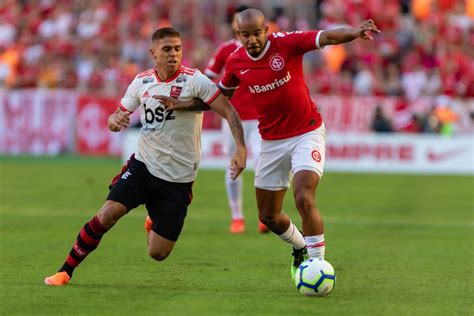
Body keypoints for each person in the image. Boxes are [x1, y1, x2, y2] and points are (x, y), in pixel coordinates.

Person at [161, 9, 380, 279]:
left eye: (257, 33)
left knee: (304, 197)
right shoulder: (235, 61)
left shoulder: (286, 44)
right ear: (238, 35)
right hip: (271, 141)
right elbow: (220, 98)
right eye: (246, 35)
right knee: (268, 215)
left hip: (306, 132)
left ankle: (317, 265)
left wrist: (355, 32)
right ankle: (299, 246)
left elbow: (326, 38)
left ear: (266, 30)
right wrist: (184, 105)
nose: (252, 39)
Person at [44, 27, 247, 286]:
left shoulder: (194, 80)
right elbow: (115, 116)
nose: (173, 54)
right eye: (167, 49)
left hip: (178, 179)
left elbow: (229, 111)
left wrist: (240, 148)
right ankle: (65, 271)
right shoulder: (141, 82)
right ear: (153, 53)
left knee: (158, 253)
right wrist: (114, 120)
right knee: (107, 214)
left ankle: (153, 218)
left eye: (177, 48)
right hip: (143, 166)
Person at [204, 5, 268, 234]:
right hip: (232, 118)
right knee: (234, 165)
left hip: (260, 118)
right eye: (236, 21)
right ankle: (237, 216)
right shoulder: (226, 50)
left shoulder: (266, 49)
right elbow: (208, 78)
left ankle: (265, 214)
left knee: (262, 161)